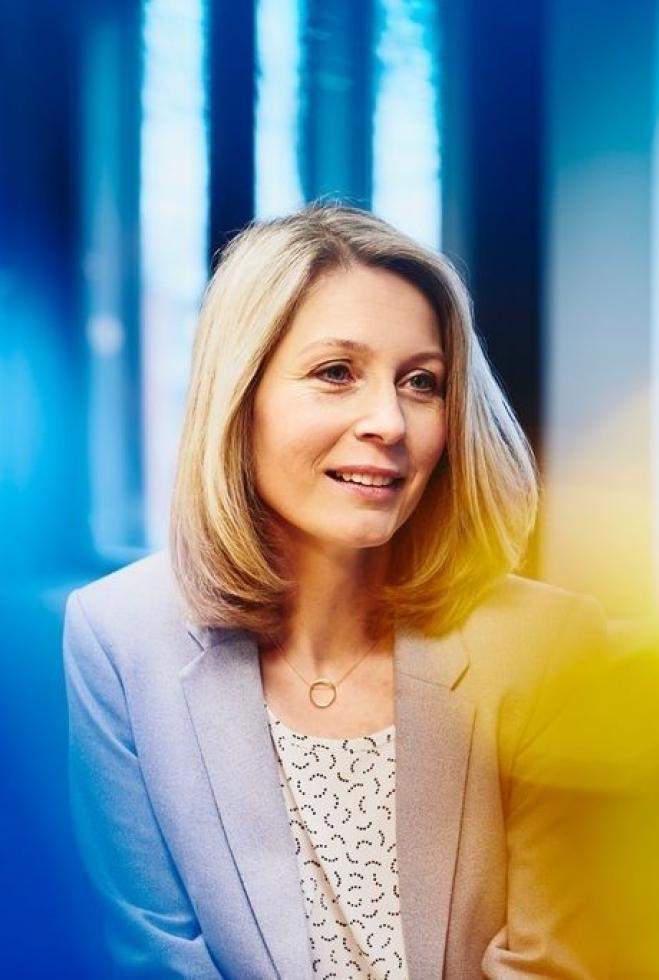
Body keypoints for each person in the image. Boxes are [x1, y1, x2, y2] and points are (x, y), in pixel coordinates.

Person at [63, 204, 608, 979]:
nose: (388, 420)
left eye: (421, 383)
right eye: (335, 374)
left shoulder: (547, 645)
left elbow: (555, 962)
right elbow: (151, 954)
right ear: (240, 394)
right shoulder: (117, 634)